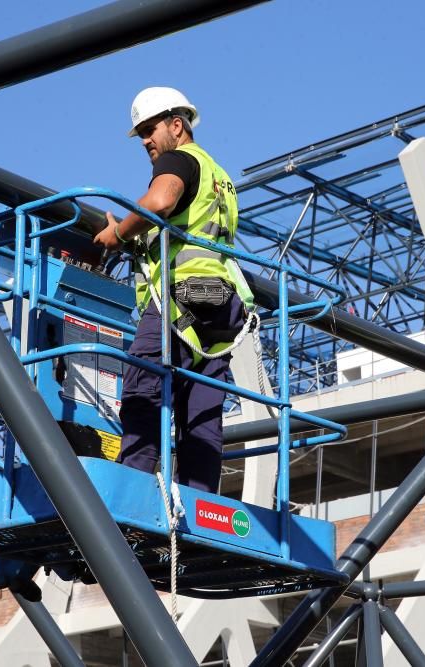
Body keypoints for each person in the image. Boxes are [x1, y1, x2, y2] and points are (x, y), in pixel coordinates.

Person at [94, 87, 249, 493]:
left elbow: (161, 201)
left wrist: (118, 233)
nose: (145, 140)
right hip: (223, 305)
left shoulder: (178, 159)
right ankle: (199, 505)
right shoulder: (221, 177)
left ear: (176, 126)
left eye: (149, 129)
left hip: (183, 295)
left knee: (142, 388)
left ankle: (131, 491)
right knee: (201, 413)